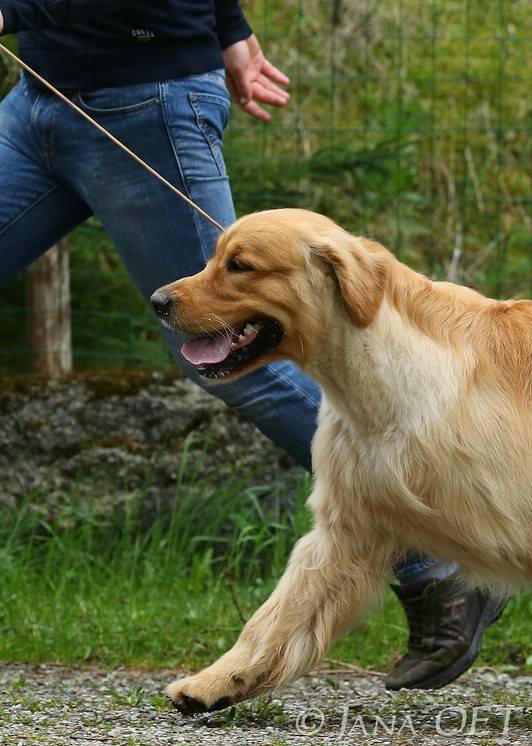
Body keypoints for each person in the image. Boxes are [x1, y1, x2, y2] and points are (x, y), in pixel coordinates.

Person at [0, 0, 505, 691]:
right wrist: (229, 25)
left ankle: (439, 558)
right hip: (41, 94)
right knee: (234, 357)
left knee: (239, 359)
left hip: (145, 105)